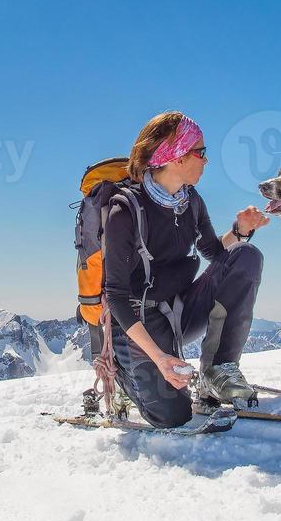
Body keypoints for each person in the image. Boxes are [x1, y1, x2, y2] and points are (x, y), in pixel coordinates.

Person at [102, 111, 270, 427]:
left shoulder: (190, 199)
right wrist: (160, 358)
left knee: (245, 255)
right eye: (201, 152)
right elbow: (116, 295)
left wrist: (240, 230)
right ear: (176, 155)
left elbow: (214, 252)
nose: (206, 161)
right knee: (173, 415)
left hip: (181, 309)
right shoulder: (124, 209)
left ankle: (217, 371)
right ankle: (127, 380)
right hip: (139, 320)